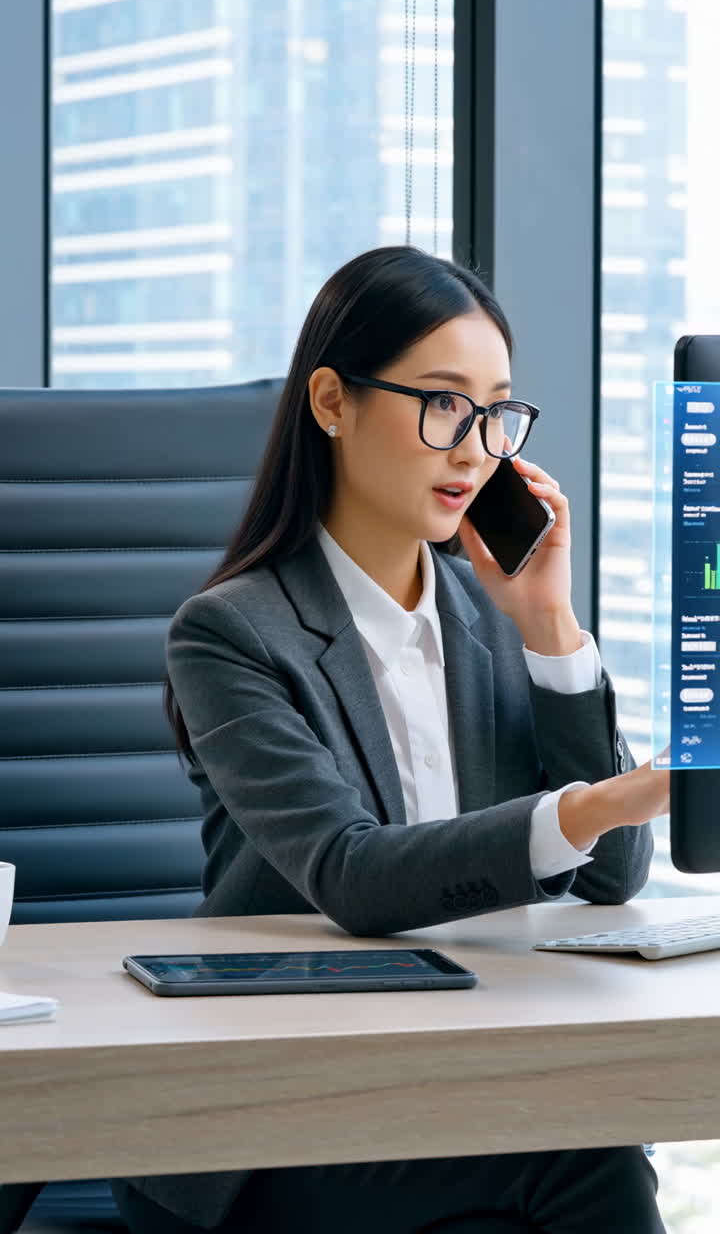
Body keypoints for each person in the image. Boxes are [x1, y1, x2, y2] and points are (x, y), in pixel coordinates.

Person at [111, 246, 668, 1233]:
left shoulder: (490, 617)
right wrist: (600, 799)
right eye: (443, 404)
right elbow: (350, 872)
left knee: (597, 1131)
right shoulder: (232, 631)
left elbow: (613, 871)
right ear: (333, 400)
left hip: (452, 1063)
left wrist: (550, 625)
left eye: (497, 412)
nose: (476, 449)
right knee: (589, 1156)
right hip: (268, 1110)